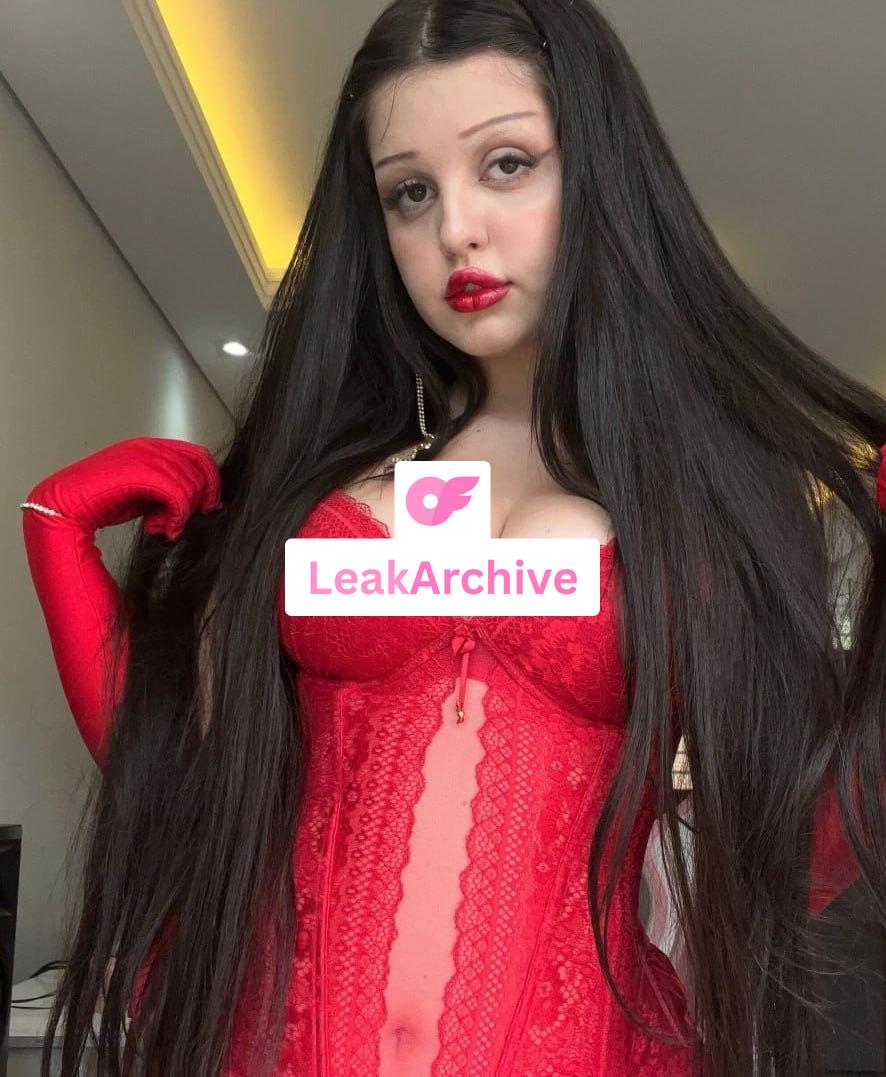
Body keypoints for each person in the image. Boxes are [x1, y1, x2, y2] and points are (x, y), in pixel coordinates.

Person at [19, 1, 886, 1074]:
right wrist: (58, 544)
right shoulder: (324, 483)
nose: (456, 232)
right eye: (410, 192)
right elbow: (184, 780)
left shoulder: (702, 508)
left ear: (601, 173)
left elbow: (794, 847)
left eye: (507, 164)